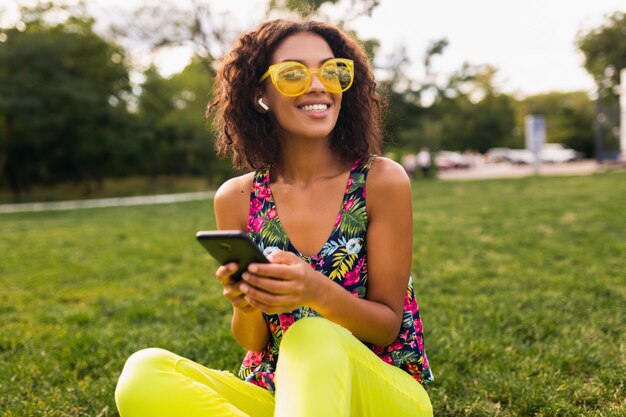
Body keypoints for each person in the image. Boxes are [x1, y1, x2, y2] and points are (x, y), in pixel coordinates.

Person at [114, 19, 433, 417]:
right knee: (145, 372)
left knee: (311, 334)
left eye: (331, 70)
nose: (318, 85)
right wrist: (245, 304)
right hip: (281, 396)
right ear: (260, 94)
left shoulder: (380, 180)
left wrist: (315, 290)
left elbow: (386, 325)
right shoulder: (236, 198)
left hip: (380, 393)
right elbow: (253, 341)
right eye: (293, 74)